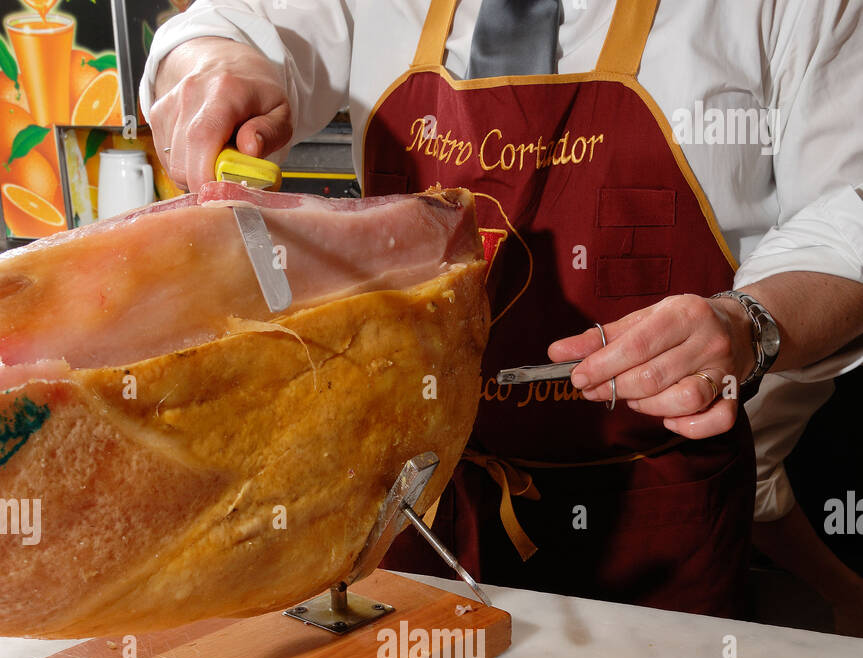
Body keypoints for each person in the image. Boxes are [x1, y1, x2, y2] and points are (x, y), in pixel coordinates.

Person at [142, 0, 863, 619]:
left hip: (657, 515)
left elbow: (847, 214)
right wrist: (208, 64)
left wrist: (747, 324)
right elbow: (233, 22)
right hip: (413, 499)